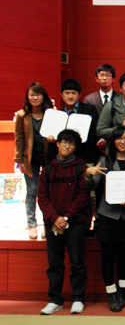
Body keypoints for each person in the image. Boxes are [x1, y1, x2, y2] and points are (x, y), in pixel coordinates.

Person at [37, 129, 90, 315]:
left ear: (75, 147)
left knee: (77, 262)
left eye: (72, 143)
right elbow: (42, 197)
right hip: (52, 223)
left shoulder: (81, 168)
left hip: (75, 223)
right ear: (58, 144)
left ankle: (78, 298)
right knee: (55, 263)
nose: (67, 146)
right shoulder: (48, 169)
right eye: (64, 142)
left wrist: (66, 217)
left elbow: (83, 197)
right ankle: (55, 299)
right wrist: (55, 218)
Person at [86, 127, 125, 312]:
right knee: (108, 255)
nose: (122, 141)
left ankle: (122, 291)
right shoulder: (104, 160)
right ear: (112, 142)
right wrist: (88, 174)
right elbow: (92, 186)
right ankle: (111, 292)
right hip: (107, 214)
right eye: (118, 138)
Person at [15, 82, 55, 239]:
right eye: (32, 94)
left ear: (43, 96)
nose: (35, 97)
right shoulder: (22, 115)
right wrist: (19, 159)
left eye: (38, 94)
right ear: (27, 97)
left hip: (49, 157)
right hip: (29, 158)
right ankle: (31, 224)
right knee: (32, 191)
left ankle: (48, 223)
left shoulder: (51, 113)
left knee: (49, 191)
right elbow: (19, 138)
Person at [59, 79, 100, 166]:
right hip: (65, 160)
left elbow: (94, 133)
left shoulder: (89, 110)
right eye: (67, 93)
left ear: (79, 95)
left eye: (73, 93)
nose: (70, 96)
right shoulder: (60, 115)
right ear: (61, 95)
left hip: (85, 157)